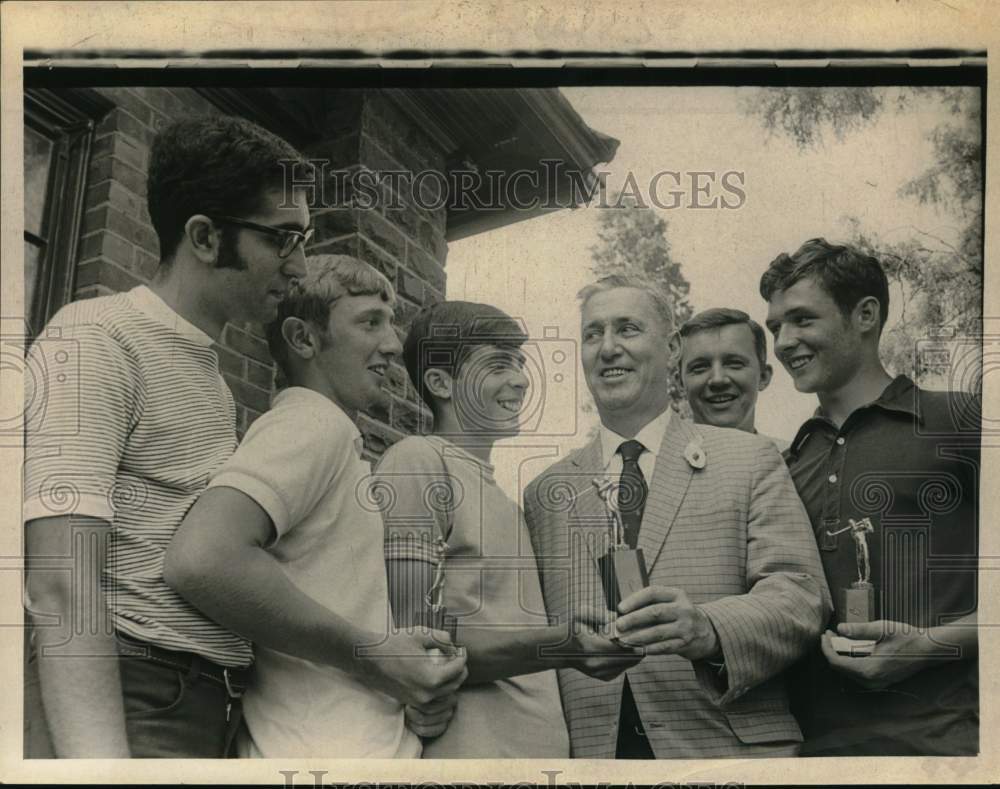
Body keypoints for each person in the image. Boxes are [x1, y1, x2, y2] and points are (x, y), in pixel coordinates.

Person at [23, 115, 312, 758]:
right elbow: (61, 584)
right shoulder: (96, 339)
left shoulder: (211, 382)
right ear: (205, 237)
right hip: (136, 705)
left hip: (216, 712)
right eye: (284, 238)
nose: (301, 265)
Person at [165, 256, 468, 757]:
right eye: (370, 321)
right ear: (304, 339)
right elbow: (202, 557)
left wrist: (411, 679)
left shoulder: (333, 438)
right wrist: (376, 658)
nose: (393, 344)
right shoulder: (311, 425)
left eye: (390, 324)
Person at [523, 274, 831, 759]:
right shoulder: (543, 493)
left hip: (728, 751)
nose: (608, 348)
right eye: (592, 334)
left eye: (627, 329)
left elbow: (801, 594)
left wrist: (708, 629)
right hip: (591, 757)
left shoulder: (747, 458)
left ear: (670, 349)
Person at [376, 300, 639, 758]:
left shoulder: (508, 500)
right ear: (442, 383)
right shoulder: (417, 460)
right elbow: (416, 649)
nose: (520, 379)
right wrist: (562, 644)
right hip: (471, 755)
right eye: (498, 365)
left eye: (519, 363)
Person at [760, 238, 980, 756]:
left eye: (802, 320)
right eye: (774, 328)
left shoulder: (963, 420)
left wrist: (927, 647)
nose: (784, 341)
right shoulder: (786, 463)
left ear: (865, 314)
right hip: (810, 756)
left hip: (946, 750)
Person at [674, 307, 784, 447]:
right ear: (680, 383)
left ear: (763, 376)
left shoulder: (789, 464)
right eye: (700, 367)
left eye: (734, 364)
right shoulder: (658, 464)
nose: (718, 379)